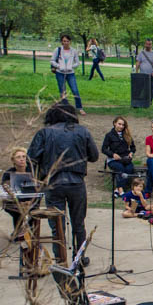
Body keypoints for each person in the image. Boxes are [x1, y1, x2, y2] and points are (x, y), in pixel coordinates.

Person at [26, 103, 99, 263]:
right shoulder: (82, 131)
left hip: (53, 183)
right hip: (76, 182)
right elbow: (94, 156)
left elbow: (31, 159)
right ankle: (79, 258)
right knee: (78, 223)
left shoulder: (45, 133)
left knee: (57, 224)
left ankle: (60, 259)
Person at [1, 148, 33, 238]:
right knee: (16, 210)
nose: (22, 159)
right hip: (14, 201)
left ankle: (28, 231)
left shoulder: (32, 171)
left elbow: (38, 187)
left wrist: (29, 201)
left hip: (30, 201)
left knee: (30, 210)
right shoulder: (9, 172)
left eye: (24, 156)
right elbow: (4, 185)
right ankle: (18, 232)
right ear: (13, 160)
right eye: (18, 157)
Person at [101, 116, 136, 193]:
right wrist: (112, 154)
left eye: (123, 125)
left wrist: (131, 153)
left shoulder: (127, 134)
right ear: (114, 123)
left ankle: (117, 189)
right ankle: (121, 190)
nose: (121, 126)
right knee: (120, 168)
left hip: (125, 159)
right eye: (119, 124)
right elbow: (103, 149)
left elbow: (133, 148)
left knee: (129, 169)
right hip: (113, 160)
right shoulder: (109, 135)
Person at [50, 34, 83, 114]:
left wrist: (71, 66)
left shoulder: (73, 51)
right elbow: (52, 61)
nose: (66, 43)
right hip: (60, 73)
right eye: (64, 41)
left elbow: (77, 63)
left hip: (70, 73)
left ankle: (79, 108)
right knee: (63, 91)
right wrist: (59, 66)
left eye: (67, 41)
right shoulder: (57, 50)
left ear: (70, 42)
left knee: (75, 90)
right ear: (62, 42)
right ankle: (65, 108)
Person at [135, 38, 153, 104]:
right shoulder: (141, 53)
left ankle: (150, 101)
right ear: (145, 44)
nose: (148, 45)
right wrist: (136, 72)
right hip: (142, 75)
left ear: (151, 45)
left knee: (151, 89)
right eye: (147, 44)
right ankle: (140, 101)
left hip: (151, 75)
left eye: (149, 44)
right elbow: (138, 63)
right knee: (140, 89)